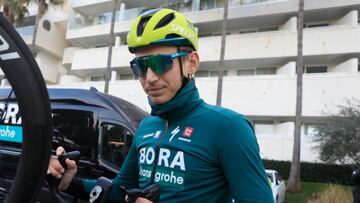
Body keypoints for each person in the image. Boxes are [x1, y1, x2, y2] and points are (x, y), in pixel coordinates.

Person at [48, 8, 274, 203]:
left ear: (191, 63)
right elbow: (118, 191)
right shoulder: (147, 126)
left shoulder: (229, 128)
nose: (150, 77)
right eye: (140, 66)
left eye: (160, 63)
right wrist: (68, 181)